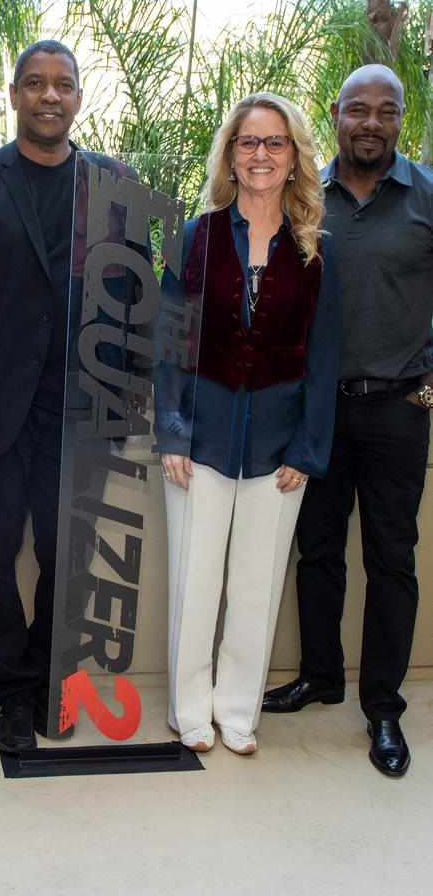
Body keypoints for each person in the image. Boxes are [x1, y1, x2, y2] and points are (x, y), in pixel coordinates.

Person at [0, 40, 136, 753]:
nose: (50, 96)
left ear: (80, 98)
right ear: (14, 94)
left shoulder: (115, 186)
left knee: (69, 556)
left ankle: (51, 679)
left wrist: (122, 404)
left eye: (64, 85)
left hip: (79, 416)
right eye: (36, 84)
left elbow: (136, 300)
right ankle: (11, 690)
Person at [262, 65, 432, 778]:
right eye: (357, 110)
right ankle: (321, 676)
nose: (370, 123)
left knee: (391, 560)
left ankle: (383, 709)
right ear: (335, 113)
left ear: (399, 117)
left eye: (384, 112)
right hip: (318, 409)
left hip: (399, 406)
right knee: (319, 551)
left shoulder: (426, 195)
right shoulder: (303, 195)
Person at [159, 92, 338, 756]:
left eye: (274, 143)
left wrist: (307, 446)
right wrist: (171, 430)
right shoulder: (197, 235)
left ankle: (237, 712)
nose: (260, 155)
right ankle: (189, 710)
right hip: (199, 441)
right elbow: (172, 338)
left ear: (293, 159)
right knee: (194, 582)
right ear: (230, 157)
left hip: (279, 447)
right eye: (247, 143)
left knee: (256, 586)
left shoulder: (316, 248)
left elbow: (324, 354)